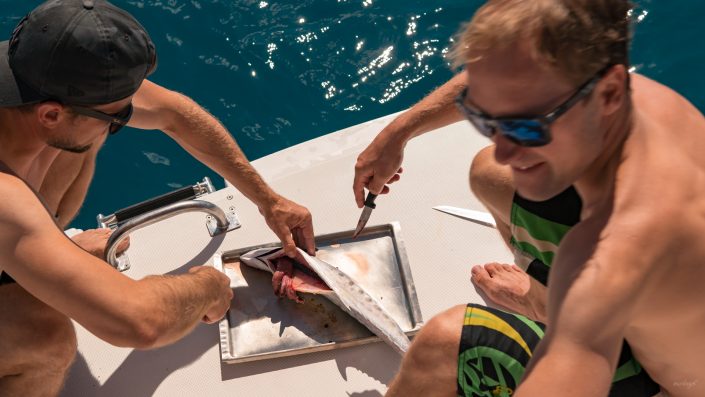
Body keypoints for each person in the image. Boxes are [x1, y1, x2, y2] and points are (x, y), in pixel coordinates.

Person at [354, 0, 705, 396]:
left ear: (607, 93)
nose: (504, 148)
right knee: (490, 174)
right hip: (652, 311)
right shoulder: (618, 92)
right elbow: (499, 71)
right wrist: (398, 132)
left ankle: (541, 302)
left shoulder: (617, 248)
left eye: (525, 126)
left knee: (443, 342)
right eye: (485, 116)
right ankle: (543, 298)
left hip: (670, 385)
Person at [0, 0, 315, 395]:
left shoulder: (39, 76)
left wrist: (269, 199)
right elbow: (137, 322)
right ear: (50, 114)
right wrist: (205, 287)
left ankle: (27, 257)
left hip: (12, 222)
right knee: (44, 340)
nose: (126, 120)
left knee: (79, 143)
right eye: (118, 121)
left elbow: (174, 115)